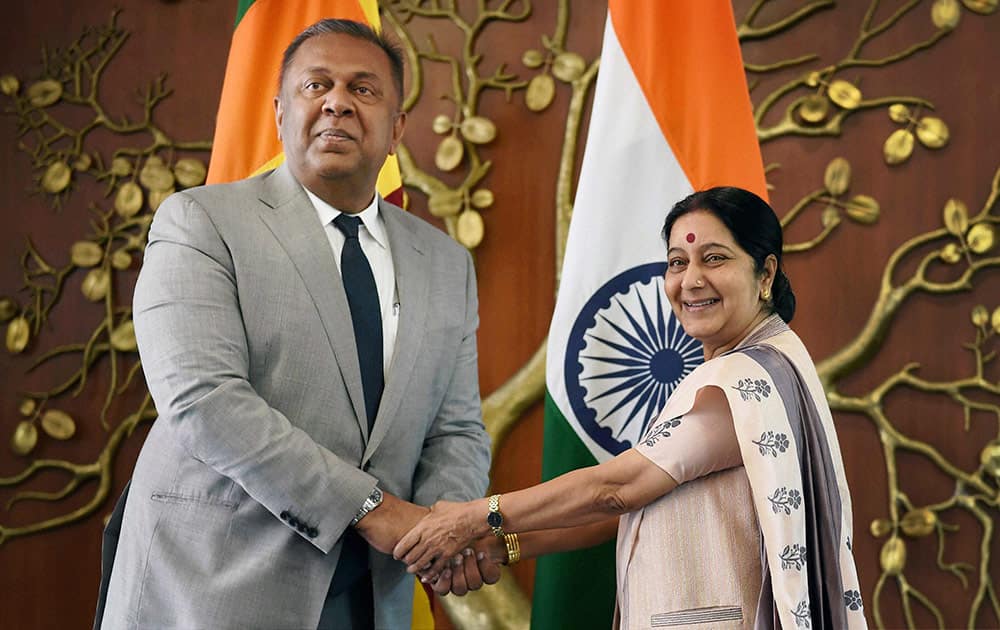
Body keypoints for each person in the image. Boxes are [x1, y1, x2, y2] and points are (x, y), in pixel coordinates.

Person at [95, 19, 495, 630]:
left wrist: (447, 526)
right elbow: (204, 400)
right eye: (317, 85)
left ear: (397, 131)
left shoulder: (446, 262)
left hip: (374, 594)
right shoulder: (200, 223)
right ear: (280, 114)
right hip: (214, 588)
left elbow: (456, 427)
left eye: (364, 89)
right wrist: (374, 510)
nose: (338, 100)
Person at [395, 187, 867, 629]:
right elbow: (624, 509)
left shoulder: (744, 380)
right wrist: (504, 544)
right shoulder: (764, 363)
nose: (691, 280)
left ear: (765, 274)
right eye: (677, 262)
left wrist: (474, 517)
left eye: (715, 259)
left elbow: (617, 488)